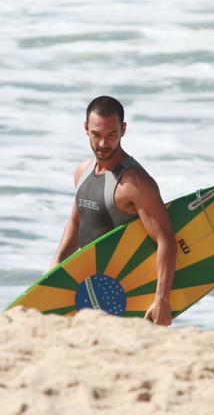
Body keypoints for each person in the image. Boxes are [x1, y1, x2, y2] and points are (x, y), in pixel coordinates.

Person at [50, 96, 176, 326]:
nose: (103, 144)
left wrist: (162, 299)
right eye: (96, 135)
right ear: (86, 128)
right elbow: (76, 224)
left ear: (123, 130)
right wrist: (55, 269)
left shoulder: (134, 183)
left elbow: (165, 239)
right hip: (87, 290)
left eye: (111, 135)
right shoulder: (82, 171)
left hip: (123, 295)